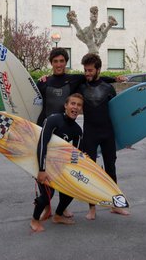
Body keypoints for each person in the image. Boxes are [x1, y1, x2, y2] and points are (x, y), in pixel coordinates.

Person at [35, 48, 124, 219]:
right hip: (49, 127)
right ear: (51, 63)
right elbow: (32, 100)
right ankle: (46, 205)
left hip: (69, 132)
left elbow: (97, 80)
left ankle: (63, 208)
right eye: (56, 61)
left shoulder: (74, 79)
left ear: (66, 62)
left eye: (62, 61)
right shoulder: (44, 82)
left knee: (66, 171)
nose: (59, 64)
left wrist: (114, 79)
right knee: (45, 168)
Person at [79, 53, 130, 220]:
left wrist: (124, 137)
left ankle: (117, 205)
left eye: (90, 70)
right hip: (90, 133)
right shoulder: (80, 86)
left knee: (111, 169)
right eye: (85, 70)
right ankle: (92, 208)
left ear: (98, 69)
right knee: (91, 172)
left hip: (107, 132)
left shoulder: (108, 88)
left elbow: (117, 113)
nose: (87, 73)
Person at [30, 93, 84, 232]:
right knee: (48, 194)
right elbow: (42, 144)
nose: (75, 107)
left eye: (78, 105)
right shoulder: (53, 120)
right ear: (66, 105)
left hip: (60, 165)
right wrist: (42, 170)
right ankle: (34, 220)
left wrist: (81, 161)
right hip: (43, 163)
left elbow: (74, 156)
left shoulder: (77, 131)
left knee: (71, 190)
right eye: (73, 103)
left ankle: (58, 215)